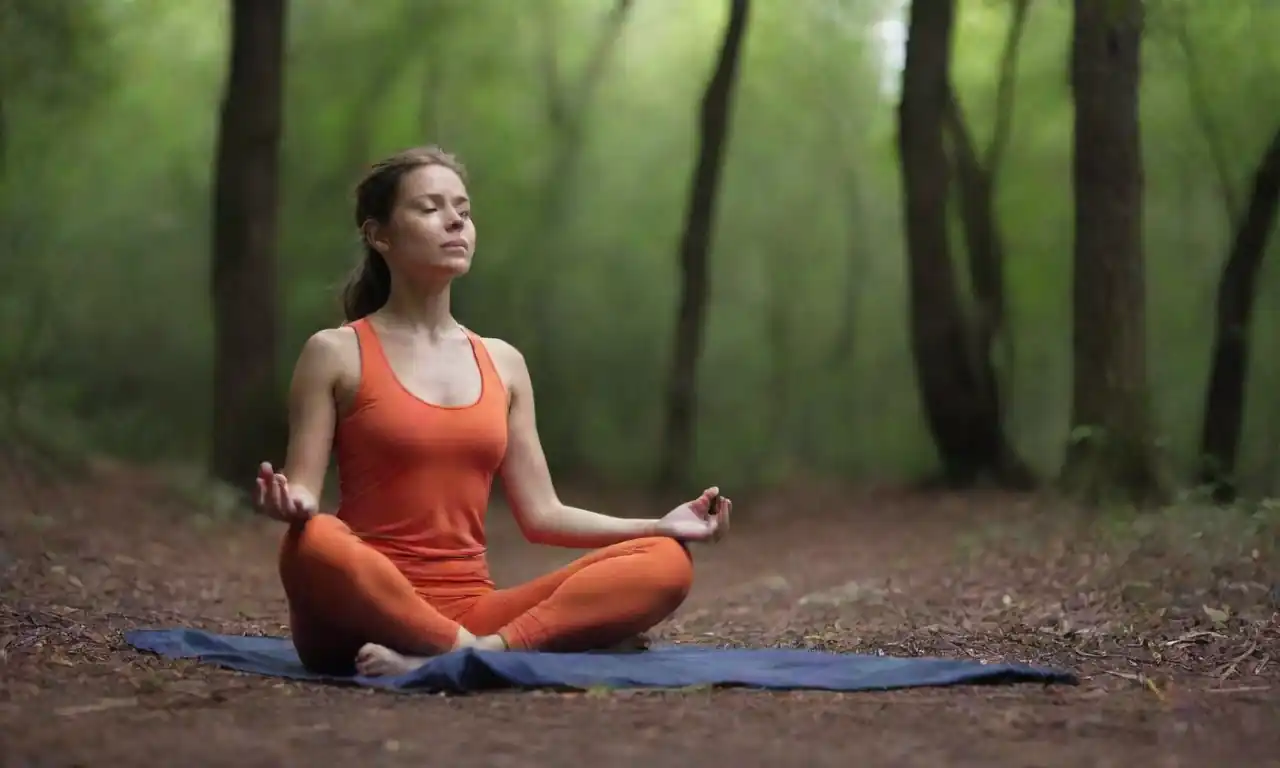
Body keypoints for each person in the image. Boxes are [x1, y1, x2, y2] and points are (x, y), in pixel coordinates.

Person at [252, 145, 732, 678]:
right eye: (430, 208)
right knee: (311, 540)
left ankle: (471, 653)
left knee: (664, 561)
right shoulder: (335, 352)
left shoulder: (502, 362)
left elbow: (543, 514)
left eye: (463, 207)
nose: (456, 219)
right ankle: (487, 651)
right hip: (357, 611)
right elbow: (303, 491)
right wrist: (289, 502)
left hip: (471, 610)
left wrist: (658, 526)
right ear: (378, 234)